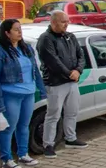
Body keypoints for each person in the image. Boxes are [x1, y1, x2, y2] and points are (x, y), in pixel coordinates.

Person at [0, 19, 47, 168]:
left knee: (24, 125)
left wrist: (42, 90)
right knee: (8, 128)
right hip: (10, 94)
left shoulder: (27, 48)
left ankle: (23, 155)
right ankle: (6, 159)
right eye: (16, 29)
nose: (20, 32)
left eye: (20, 28)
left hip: (28, 93)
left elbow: (35, 70)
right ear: (7, 33)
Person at [37, 11, 88, 157]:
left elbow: (81, 55)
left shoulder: (70, 37)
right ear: (54, 22)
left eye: (67, 21)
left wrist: (78, 70)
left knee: (72, 111)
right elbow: (53, 61)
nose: (67, 24)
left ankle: (70, 138)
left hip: (72, 81)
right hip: (55, 83)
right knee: (53, 114)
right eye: (63, 21)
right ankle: (48, 144)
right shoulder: (45, 39)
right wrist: (69, 73)